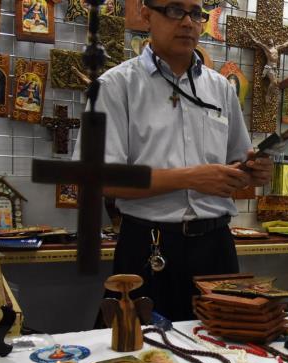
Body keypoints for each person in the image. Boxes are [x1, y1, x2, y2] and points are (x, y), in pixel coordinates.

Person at [75, 0, 272, 321]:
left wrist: (253, 172)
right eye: (174, 10)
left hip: (216, 248)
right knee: (140, 358)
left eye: (196, 13)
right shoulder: (115, 86)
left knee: (226, 353)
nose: (188, 22)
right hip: (149, 246)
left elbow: (237, 164)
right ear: (145, 13)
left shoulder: (221, 88)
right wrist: (191, 177)